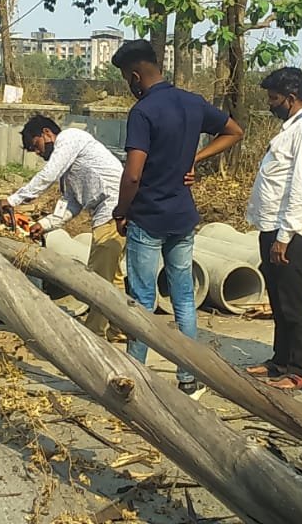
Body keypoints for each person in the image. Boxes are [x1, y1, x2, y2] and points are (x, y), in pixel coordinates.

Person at [109, 39, 244, 400]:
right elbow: (234, 131)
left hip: (148, 217)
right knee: (184, 297)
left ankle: (134, 372)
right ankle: (188, 376)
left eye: (127, 78)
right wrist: (197, 158)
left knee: (140, 298)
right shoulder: (192, 102)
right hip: (183, 216)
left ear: (136, 75)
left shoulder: (143, 111)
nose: (129, 84)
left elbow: (133, 174)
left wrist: (122, 210)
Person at [0, 115, 126, 340]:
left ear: (47, 133)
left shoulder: (70, 138)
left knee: (98, 278)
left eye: (34, 145)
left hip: (113, 210)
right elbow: (72, 202)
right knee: (112, 276)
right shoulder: (69, 166)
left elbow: (48, 175)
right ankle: (122, 329)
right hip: (105, 213)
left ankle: (93, 335)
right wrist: (45, 224)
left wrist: (13, 200)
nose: (37, 153)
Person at [243, 67, 302, 391]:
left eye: (274, 99)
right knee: (279, 299)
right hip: (273, 224)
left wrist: (285, 236)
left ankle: (298, 369)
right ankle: (280, 360)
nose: (270, 104)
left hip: (291, 231)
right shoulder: (291, 128)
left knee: (294, 302)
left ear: (291, 99)